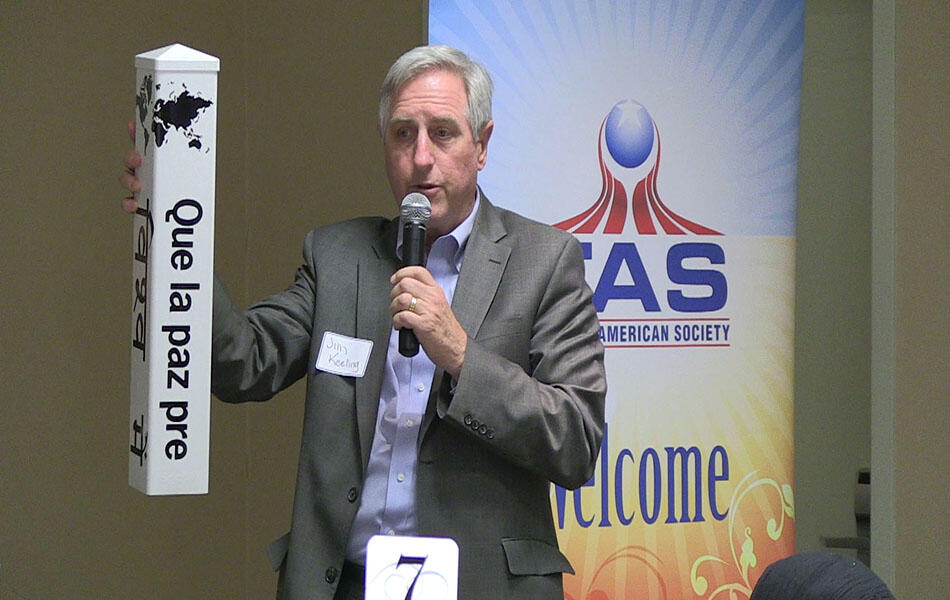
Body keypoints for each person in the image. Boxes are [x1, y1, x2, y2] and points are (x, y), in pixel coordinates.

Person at [122, 45, 606, 600]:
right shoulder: (339, 256)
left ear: (482, 145)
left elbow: (575, 441)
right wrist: (175, 230)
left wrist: (460, 355)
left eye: (442, 133)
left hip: (480, 588)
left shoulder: (544, 261)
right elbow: (242, 363)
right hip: (344, 585)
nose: (420, 157)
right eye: (403, 134)